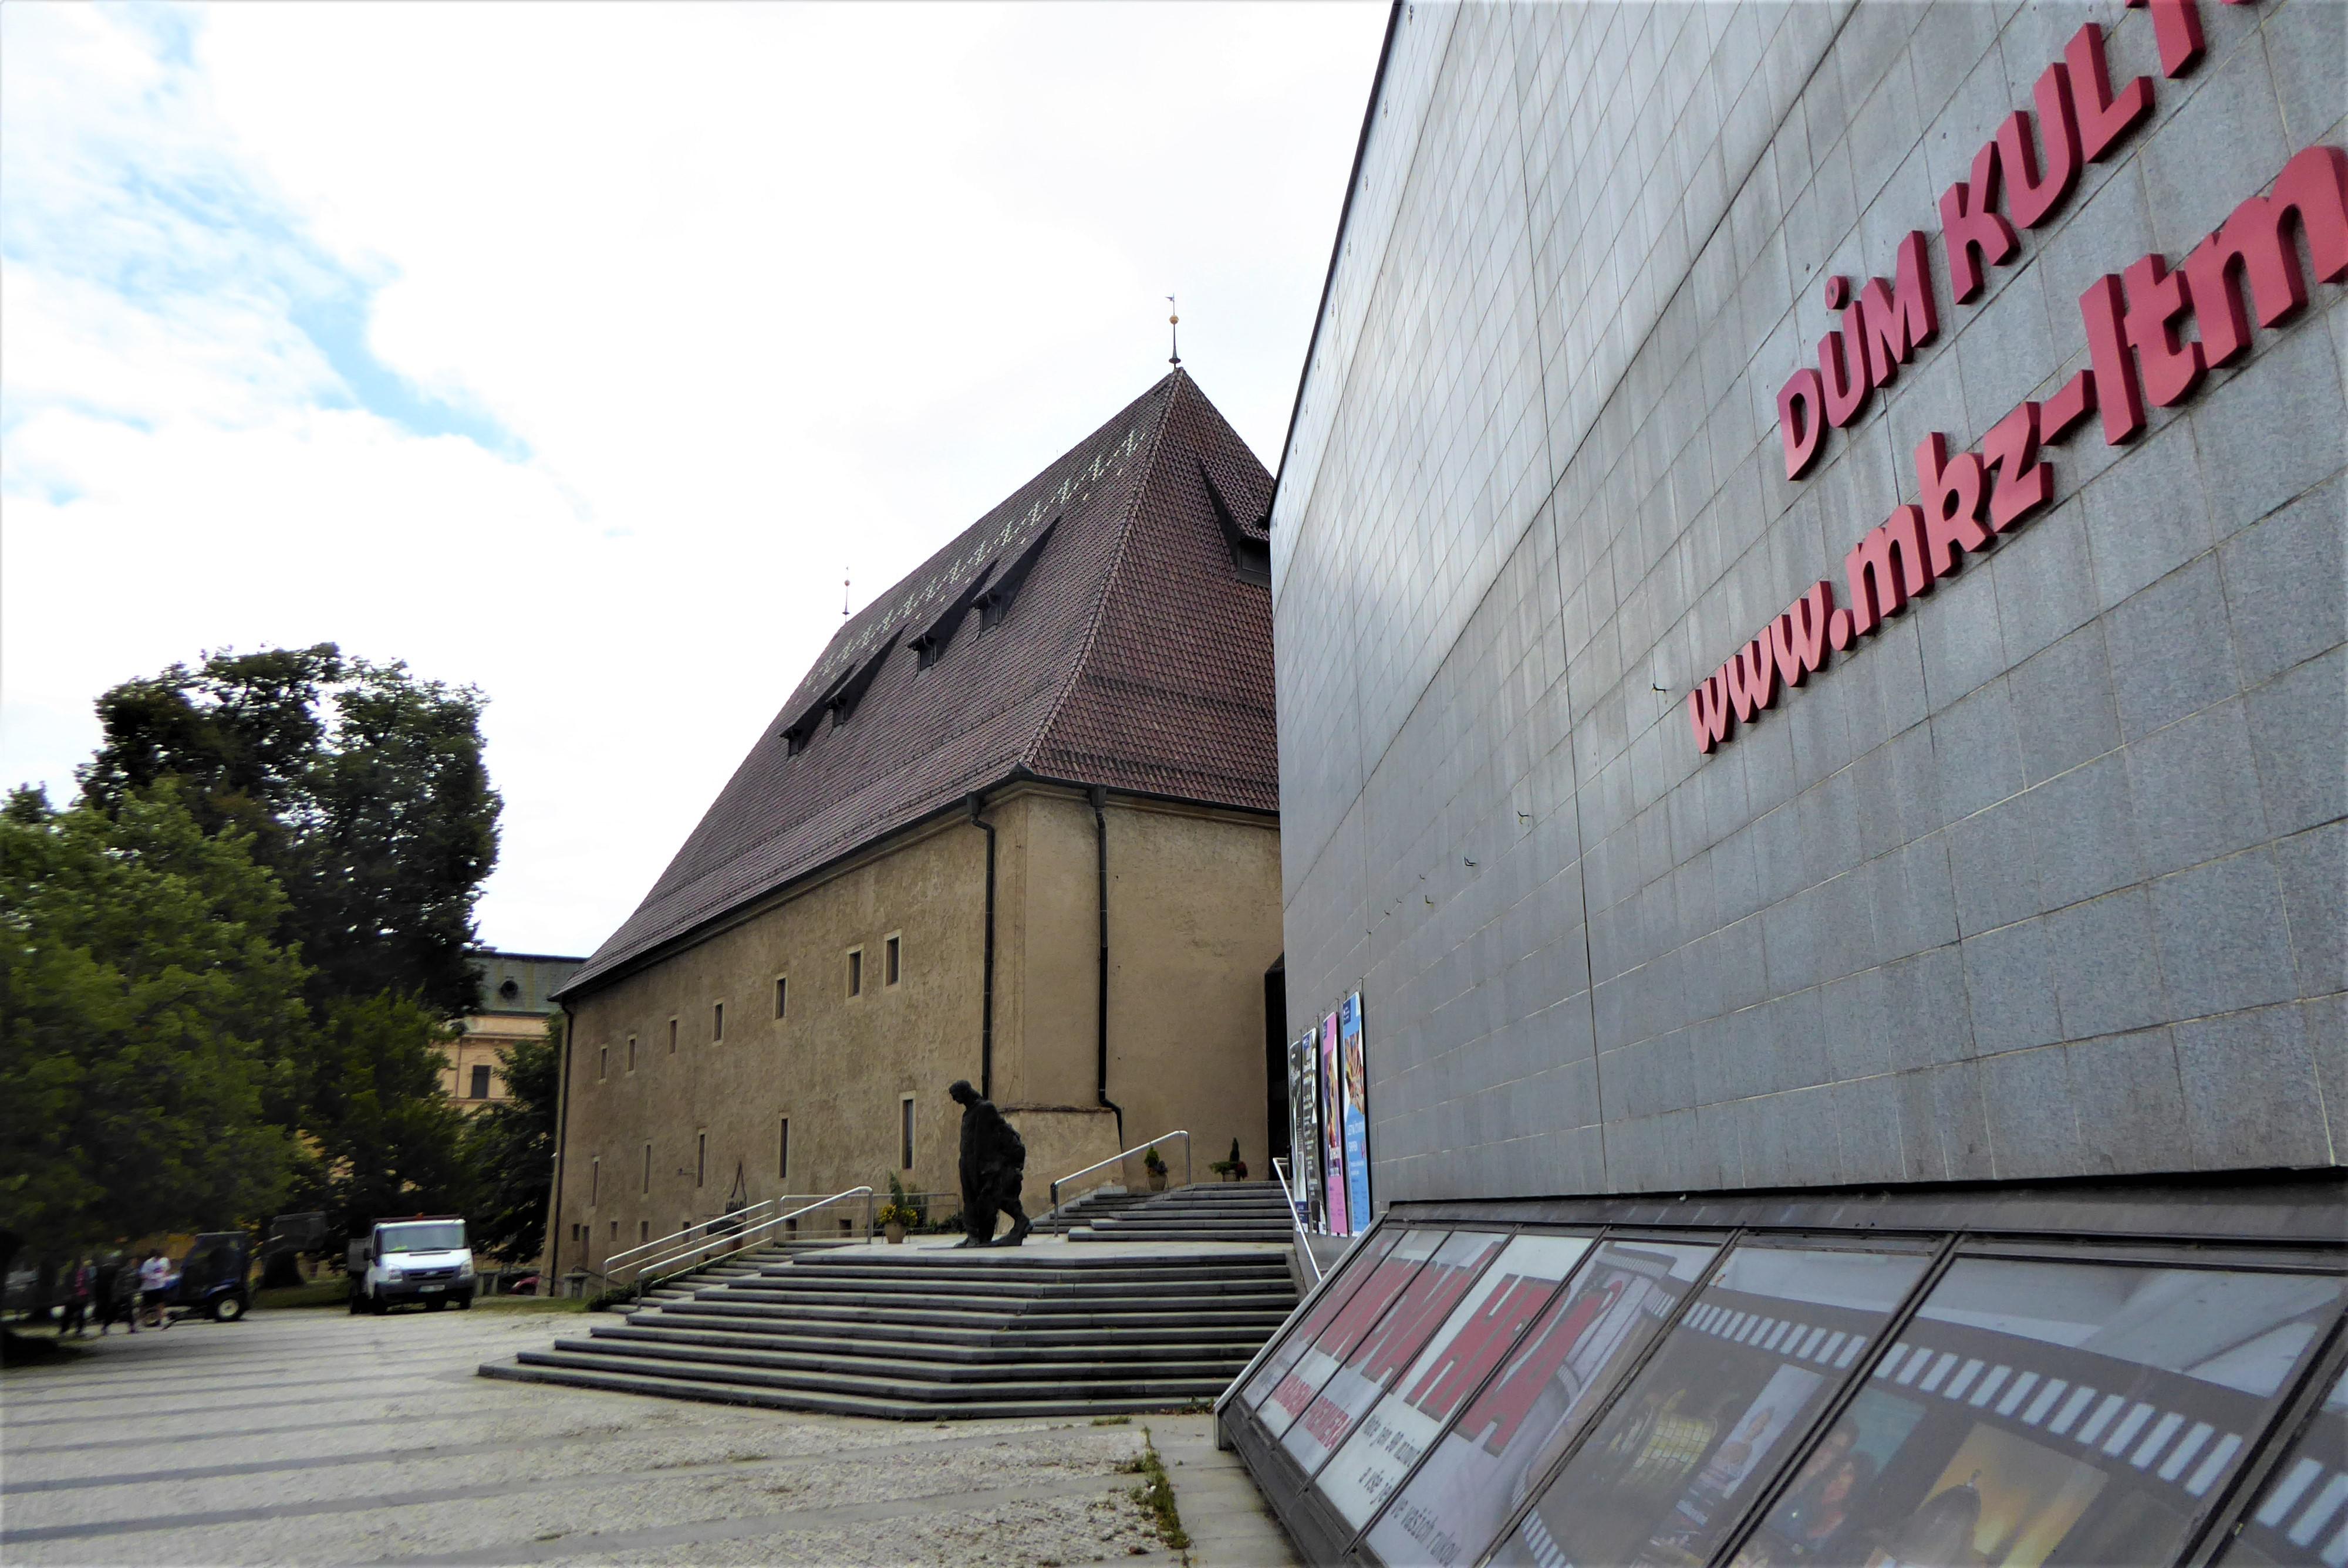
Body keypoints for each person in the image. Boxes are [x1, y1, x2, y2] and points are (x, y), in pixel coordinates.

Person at [949, 1080, 1030, 1248]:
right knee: (971, 1200)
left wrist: (993, 1164)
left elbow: (995, 1136)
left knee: (994, 1198)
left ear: (965, 1092)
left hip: (984, 1165)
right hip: (968, 1163)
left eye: (956, 1096)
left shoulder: (985, 1109)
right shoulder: (968, 1113)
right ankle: (976, 1236)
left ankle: (1021, 1222)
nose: (955, 1101)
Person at [138, 1248, 173, 1330]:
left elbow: (165, 1271)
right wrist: (151, 1278)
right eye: (157, 1258)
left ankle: (163, 1321)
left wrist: (166, 1277)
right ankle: (140, 1322)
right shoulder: (148, 1263)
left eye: (159, 1257)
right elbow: (143, 1275)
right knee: (144, 1305)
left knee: (160, 1304)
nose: (158, 1259)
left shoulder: (165, 1261)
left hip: (159, 1286)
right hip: (149, 1288)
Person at [59, 1258, 94, 1337]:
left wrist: (87, 1294)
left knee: (80, 1314)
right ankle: (64, 1330)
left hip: (82, 1296)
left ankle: (79, 1330)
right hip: (73, 1296)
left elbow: (88, 1285)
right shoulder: (70, 1274)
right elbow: (67, 1285)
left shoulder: (85, 1274)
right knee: (69, 1314)